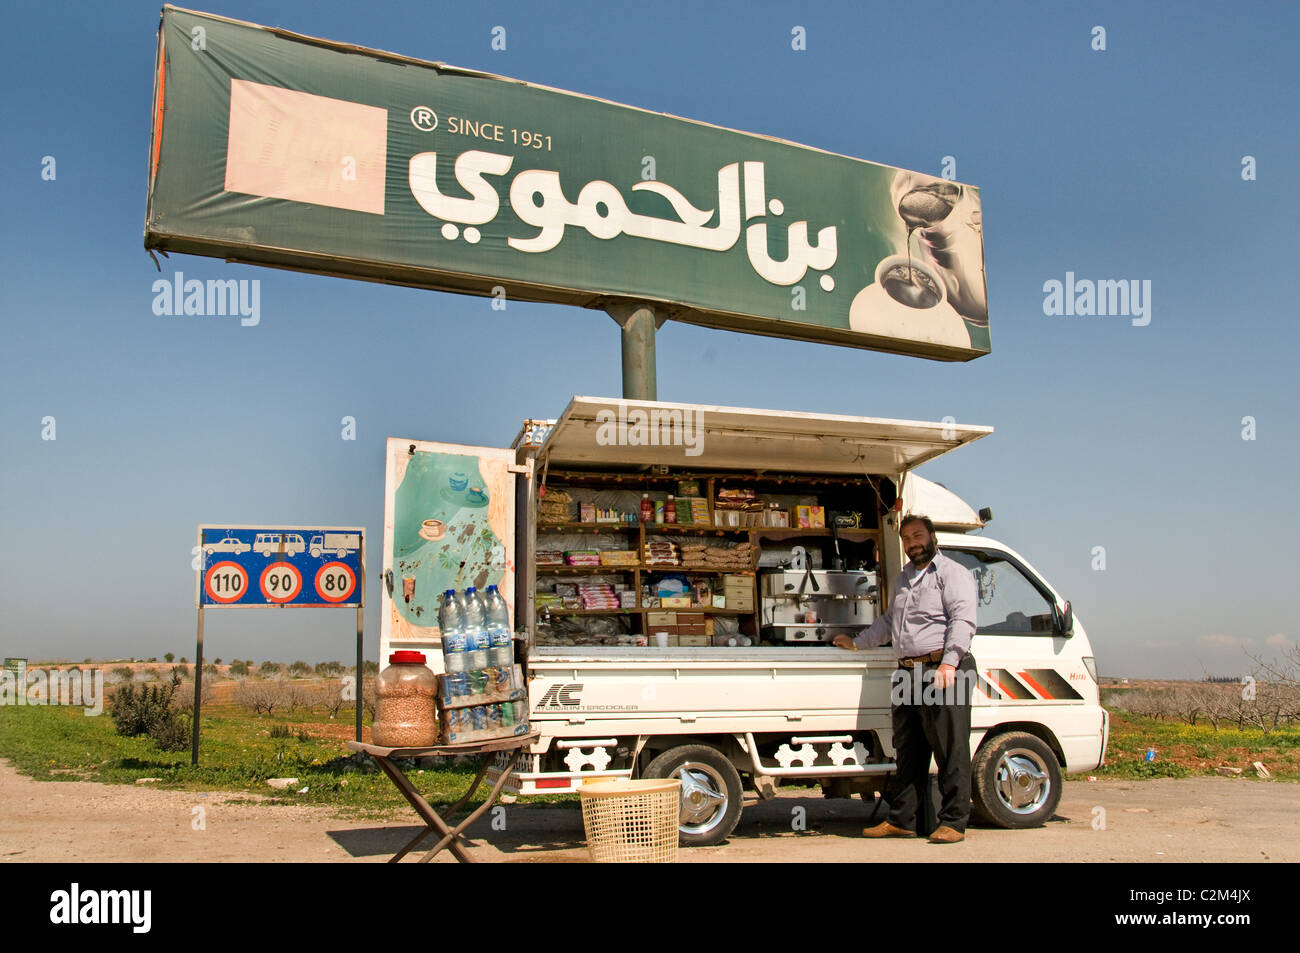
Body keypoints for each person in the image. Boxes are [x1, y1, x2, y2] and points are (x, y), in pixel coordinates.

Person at [831, 513, 977, 843]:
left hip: (944, 669)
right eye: (907, 538)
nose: (912, 542)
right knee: (908, 750)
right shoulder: (904, 578)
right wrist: (857, 642)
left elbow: (963, 620)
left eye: (918, 535)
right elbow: (888, 622)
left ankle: (954, 821)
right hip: (909, 671)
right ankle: (902, 820)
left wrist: (950, 664)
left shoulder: (953, 574)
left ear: (932, 536)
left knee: (950, 747)